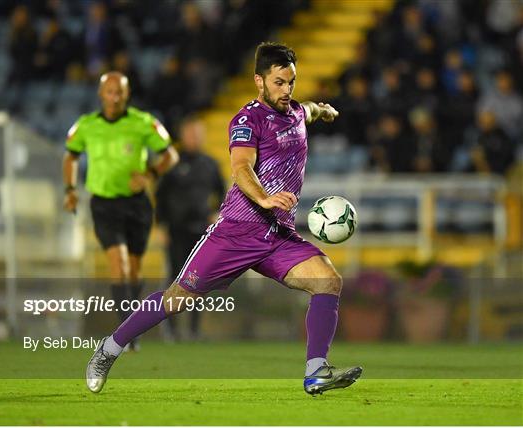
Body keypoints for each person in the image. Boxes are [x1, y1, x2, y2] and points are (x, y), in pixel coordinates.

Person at [86, 42, 362, 396]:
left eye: (291, 82)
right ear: (259, 81)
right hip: (236, 232)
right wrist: (264, 197)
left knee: (327, 280)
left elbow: (302, 111)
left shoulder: (293, 111)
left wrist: (319, 110)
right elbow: (241, 166)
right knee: (176, 300)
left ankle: (315, 372)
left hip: (277, 236)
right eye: (278, 82)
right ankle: (108, 349)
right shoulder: (247, 120)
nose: (286, 90)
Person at [63, 71, 179, 351]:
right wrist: (70, 189)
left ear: (127, 94)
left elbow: (170, 154)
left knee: (135, 272)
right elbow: (71, 156)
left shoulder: (142, 123)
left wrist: (150, 173)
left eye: (119, 92)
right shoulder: (86, 125)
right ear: (101, 94)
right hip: (103, 204)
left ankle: (131, 326)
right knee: (120, 265)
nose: (114, 97)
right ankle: (126, 335)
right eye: (109, 92)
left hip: (136, 204)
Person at [155, 116, 225, 341]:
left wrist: (217, 214)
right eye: (191, 134)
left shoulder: (211, 164)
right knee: (175, 279)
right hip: (176, 230)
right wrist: (161, 226)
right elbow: (160, 196)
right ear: (183, 136)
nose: (194, 138)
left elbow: (223, 194)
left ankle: (193, 330)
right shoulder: (172, 162)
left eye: (198, 134)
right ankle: (172, 329)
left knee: (197, 280)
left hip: (202, 231)